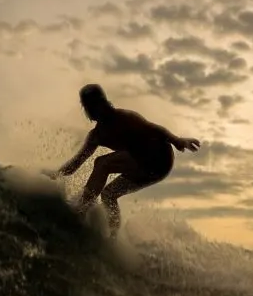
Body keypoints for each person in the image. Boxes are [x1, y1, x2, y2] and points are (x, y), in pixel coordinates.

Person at [43, 84, 201, 237]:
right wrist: (56, 175)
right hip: (144, 166)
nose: (89, 111)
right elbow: (77, 162)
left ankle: (82, 209)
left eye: (92, 105)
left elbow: (154, 129)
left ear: (102, 102)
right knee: (108, 194)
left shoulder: (125, 117)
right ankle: (114, 237)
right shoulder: (96, 135)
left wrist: (177, 140)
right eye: (87, 107)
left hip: (160, 158)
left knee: (102, 163)